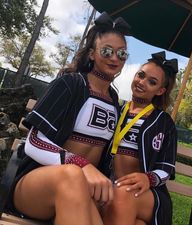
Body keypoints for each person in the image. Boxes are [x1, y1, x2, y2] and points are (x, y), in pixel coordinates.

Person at [3, 12, 130, 225]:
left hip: (82, 192)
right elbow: (34, 142)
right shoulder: (70, 84)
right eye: (107, 51)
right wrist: (80, 165)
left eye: (122, 54)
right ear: (91, 54)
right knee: (71, 175)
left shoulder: (114, 101)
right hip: (38, 185)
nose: (115, 58)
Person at [102, 51, 178, 225]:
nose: (142, 82)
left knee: (122, 194)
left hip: (146, 193)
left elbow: (167, 168)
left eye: (152, 82)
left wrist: (148, 178)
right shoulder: (115, 110)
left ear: (160, 90)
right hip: (109, 185)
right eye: (140, 75)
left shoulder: (164, 123)